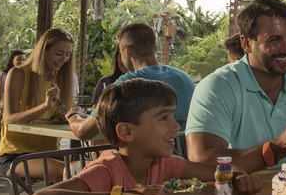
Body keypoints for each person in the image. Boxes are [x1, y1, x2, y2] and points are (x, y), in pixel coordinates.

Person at [25, 78, 263, 195]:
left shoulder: (164, 164)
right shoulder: (108, 170)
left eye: (173, 117)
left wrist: (236, 175)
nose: (175, 127)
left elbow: (213, 171)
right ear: (127, 132)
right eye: (163, 118)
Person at [186, 0, 286, 172]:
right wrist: (273, 150)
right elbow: (201, 158)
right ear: (246, 43)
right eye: (274, 40)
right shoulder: (218, 87)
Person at [68, 23, 197, 138]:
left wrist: (73, 115)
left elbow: (83, 131)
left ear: (126, 49)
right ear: (155, 47)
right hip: (185, 155)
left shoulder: (127, 83)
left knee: (72, 165)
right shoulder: (184, 77)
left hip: (152, 159)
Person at [0, 28, 75, 182]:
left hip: (49, 151)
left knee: (89, 168)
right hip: (14, 155)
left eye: (68, 54)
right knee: (67, 171)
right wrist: (44, 106)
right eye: (58, 53)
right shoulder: (18, 74)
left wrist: (75, 114)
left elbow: (62, 118)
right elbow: (9, 119)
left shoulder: (62, 79)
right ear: (43, 51)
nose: (64, 59)